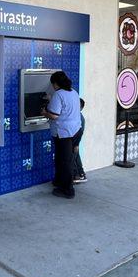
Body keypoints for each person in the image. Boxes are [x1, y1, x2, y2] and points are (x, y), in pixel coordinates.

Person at [42, 71, 81, 199]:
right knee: (61, 158)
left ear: (55, 83)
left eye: (52, 83)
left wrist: (44, 113)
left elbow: (54, 115)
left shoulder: (58, 94)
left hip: (63, 133)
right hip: (75, 130)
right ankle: (59, 182)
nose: (52, 86)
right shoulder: (73, 92)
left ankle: (68, 190)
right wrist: (50, 100)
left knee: (65, 161)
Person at [72, 98, 87, 184]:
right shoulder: (77, 116)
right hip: (74, 141)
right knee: (76, 157)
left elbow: (80, 131)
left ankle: (77, 175)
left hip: (75, 141)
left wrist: (76, 144)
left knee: (73, 158)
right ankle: (81, 174)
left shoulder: (79, 118)